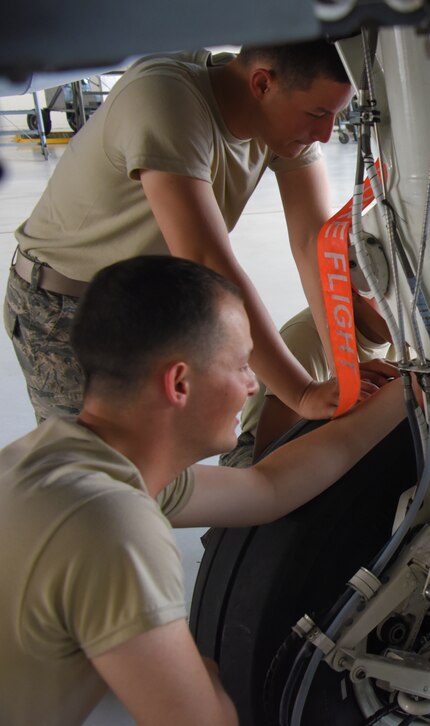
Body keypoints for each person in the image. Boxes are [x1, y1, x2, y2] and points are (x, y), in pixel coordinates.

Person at [0, 256, 409, 726]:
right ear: (179, 382)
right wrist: (207, 677)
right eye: (240, 365)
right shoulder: (114, 525)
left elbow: (268, 487)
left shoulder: (61, 457)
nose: (253, 384)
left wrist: (409, 389)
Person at [6, 39, 356, 424]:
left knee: (163, 462)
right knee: (93, 466)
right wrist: (302, 392)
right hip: (68, 304)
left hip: (154, 301)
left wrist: (345, 369)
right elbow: (206, 261)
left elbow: (316, 243)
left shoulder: (282, 118)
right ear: (261, 84)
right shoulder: (165, 98)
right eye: (319, 113)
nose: (326, 133)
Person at [220, 290, 394, 468]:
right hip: (255, 454)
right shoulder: (306, 335)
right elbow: (267, 458)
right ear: (356, 289)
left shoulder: (402, 344)